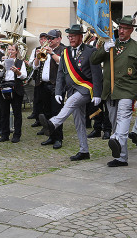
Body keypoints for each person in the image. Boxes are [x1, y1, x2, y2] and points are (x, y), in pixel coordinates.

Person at [91, 15, 137, 167]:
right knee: (115, 122)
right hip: (110, 90)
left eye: (125, 28)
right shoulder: (111, 44)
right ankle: (121, 157)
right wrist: (104, 49)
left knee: (123, 118)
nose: (121, 31)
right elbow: (93, 60)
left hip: (128, 90)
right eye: (120, 28)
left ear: (131, 30)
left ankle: (116, 139)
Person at [39, 24, 102, 160]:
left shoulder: (90, 51)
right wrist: (57, 91)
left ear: (81, 36)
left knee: (71, 102)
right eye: (69, 36)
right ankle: (84, 150)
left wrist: (97, 93)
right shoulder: (65, 52)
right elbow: (61, 73)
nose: (71, 39)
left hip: (86, 88)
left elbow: (97, 74)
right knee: (78, 121)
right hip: (72, 89)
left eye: (73, 36)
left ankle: (53, 123)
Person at [33, 29, 65, 149]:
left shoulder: (63, 49)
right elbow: (35, 66)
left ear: (59, 39)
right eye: (48, 38)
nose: (49, 41)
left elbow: (62, 63)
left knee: (57, 113)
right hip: (43, 85)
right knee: (47, 112)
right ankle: (51, 136)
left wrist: (52, 53)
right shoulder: (44, 50)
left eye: (52, 38)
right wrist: (37, 56)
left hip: (56, 86)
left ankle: (58, 138)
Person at [0, 43, 27, 143]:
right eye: (9, 50)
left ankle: (17, 135)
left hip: (16, 88)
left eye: (12, 50)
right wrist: (2, 64)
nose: (10, 52)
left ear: (16, 52)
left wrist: (17, 72)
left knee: (17, 113)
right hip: (4, 88)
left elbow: (24, 76)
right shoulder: (3, 60)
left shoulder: (20, 62)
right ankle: (5, 134)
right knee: (4, 112)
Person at [28, 32, 47, 124]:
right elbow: (31, 64)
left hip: (47, 79)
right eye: (41, 39)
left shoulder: (50, 50)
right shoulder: (36, 49)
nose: (43, 41)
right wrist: (37, 56)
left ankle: (45, 120)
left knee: (45, 101)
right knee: (37, 99)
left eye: (44, 39)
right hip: (38, 78)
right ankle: (38, 119)